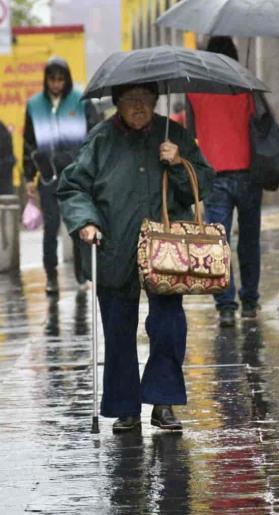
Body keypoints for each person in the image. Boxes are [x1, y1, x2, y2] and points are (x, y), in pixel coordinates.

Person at [58, 82, 215, 433]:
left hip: (166, 250)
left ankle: (163, 402)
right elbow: (73, 187)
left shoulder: (173, 134)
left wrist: (178, 162)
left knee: (169, 326)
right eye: (131, 100)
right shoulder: (100, 139)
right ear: (117, 104)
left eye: (145, 99)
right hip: (114, 245)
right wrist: (85, 222)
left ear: (155, 101)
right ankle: (125, 406)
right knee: (117, 329)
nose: (139, 107)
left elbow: (202, 183)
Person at [185, 36, 260, 327]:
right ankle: (250, 301)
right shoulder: (247, 88)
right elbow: (260, 125)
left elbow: (191, 134)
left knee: (219, 242)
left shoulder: (194, 92)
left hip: (214, 176)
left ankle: (226, 305)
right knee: (250, 240)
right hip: (249, 173)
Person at [23, 56, 97, 296]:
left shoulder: (81, 100)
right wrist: (28, 177)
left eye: (60, 79)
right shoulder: (34, 105)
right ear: (46, 80)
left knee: (78, 227)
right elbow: (29, 143)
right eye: (52, 79)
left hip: (76, 176)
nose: (56, 83)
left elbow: (95, 135)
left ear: (67, 79)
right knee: (50, 228)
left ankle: (81, 274)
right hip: (48, 177)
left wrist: (92, 170)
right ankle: (51, 277)